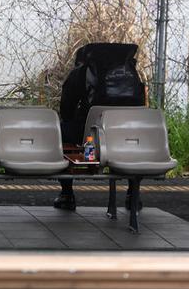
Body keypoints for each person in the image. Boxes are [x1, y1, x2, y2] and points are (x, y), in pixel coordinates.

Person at [55, 42, 146, 210]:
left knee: (59, 133)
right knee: (135, 144)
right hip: (128, 137)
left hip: (90, 136)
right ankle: (133, 194)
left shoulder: (82, 73)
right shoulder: (131, 73)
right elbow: (141, 106)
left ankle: (67, 194)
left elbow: (66, 109)